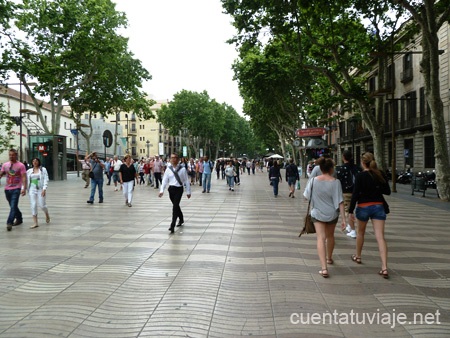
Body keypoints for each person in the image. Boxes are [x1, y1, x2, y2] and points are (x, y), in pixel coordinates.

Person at [348, 152, 391, 279]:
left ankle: (358, 256)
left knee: (361, 233)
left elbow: (355, 194)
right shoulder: (380, 174)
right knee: (380, 237)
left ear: (362, 163)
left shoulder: (360, 176)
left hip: (363, 207)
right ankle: (384, 267)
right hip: (378, 206)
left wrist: (350, 211)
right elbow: (387, 191)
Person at [303, 157, 346, 278]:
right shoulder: (336, 182)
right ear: (331, 169)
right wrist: (344, 219)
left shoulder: (312, 181)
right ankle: (329, 258)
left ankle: (324, 268)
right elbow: (340, 202)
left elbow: (306, 196)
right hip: (332, 214)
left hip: (317, 214)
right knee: (330, 236)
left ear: (320, 169)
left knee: (320, 238)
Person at [159, 153, 191, 234]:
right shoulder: (168, 169)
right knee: (176, 206)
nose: (174, 159)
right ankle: (181, 218)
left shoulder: (182, 169)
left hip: (179, 189)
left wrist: (188, 191)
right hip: (171, 189)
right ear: (170, 159)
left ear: (178, 159)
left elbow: (186, 180)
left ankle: (172, 225)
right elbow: (165, 180)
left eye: (175, 158)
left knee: (175, 207)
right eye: (172, 158)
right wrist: (161, 190)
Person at [0, 149, 27, 231]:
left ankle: (9, 222)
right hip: (7, 189)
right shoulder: (5, 165)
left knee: (13, 206)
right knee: (13, 206)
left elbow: (24, 177)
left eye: (13, 155)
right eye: (10, 155)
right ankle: (19, 218)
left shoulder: (21, 165)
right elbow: (1, 173)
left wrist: (24, 188)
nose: (11, 156)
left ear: (16, 155)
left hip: (16, 188)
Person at [336, 150, 361, 238]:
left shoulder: (341, 169)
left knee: (348, 211)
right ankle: (350, 226)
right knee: (352, 209)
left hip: (346, 192)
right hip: (357, 191)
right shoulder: (357, 167)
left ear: (343, 157)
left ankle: (353, 230)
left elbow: (338, 181)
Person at [26, 158, 50, 228]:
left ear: (39, 162)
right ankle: (35, 222)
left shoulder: (43, 169)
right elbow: (26, 180)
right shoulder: (29, 171)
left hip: (40, 189)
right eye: (33, 161)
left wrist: (44, 189)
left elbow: (46, 179)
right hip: (32, 189)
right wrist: (23, 188)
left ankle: (47, 214)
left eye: (36, 161)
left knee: (42, 205)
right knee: (33, 205)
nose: (35, 162)